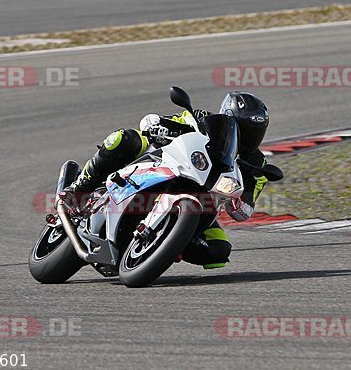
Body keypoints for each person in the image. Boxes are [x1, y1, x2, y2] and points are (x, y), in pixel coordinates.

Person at [61, 92, 270, 269]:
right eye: (243, 129)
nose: (249, 137)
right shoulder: (202, 119)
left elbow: (246, 209)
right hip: (168, 166)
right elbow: (152, 121)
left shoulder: (257, 164)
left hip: (204, 201)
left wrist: (238, 202)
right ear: (228, 118)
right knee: (123, 139)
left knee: (219, 251)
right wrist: (158, 126)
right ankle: (79, 188)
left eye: (255, 132)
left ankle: (168, 244)